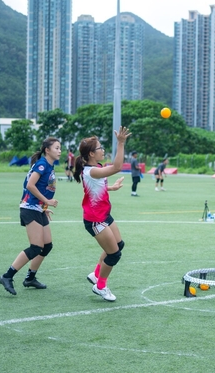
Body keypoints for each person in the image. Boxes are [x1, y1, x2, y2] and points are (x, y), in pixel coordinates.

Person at [74, 127, 132, 302]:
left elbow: (94, 188)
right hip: (95, 220)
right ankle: (100, 286)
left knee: (118, 245)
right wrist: (121, 143)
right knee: (114, 254)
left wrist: (111, 188)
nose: (103, 150)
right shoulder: (91, 171)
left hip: (104, 214)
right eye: (100, 148)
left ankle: (96, 274)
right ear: (91, 154)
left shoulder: (95, 168)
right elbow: (117, 167)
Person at [0, 137, 60, 295]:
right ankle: (7, 276)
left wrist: (44, 207)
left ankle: (30, 278)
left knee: (47, 246)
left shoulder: (49, 165)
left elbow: (40, 187)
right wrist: (47, 201)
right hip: (30, 208)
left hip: (38, 208)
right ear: (47, 150)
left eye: (60, 148)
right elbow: (30, 185)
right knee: (36, 247)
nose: (60, 151)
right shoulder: (42, 164)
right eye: (57, 148)